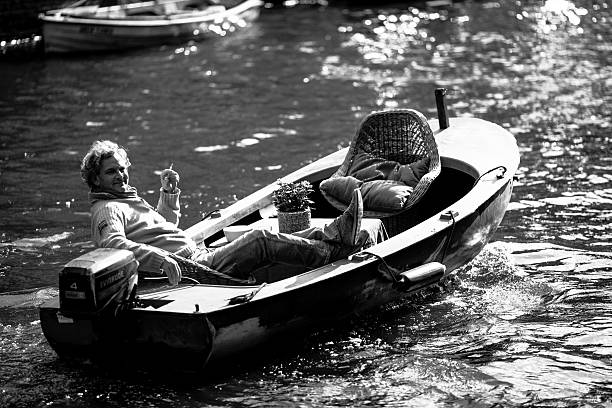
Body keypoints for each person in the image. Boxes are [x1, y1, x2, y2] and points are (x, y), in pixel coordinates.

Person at [81, 140, 365, 286]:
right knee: (260, 238)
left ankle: (334, 232)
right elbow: (113, 245)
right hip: (195, 268)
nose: (120, 175)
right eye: (111, 172)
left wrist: (168, 195)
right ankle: (331, 253)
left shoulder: (124, 199)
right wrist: (161, 260)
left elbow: (163, 228)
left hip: (195, 256)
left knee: (275, 235)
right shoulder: (107, 209)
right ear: (96, 179)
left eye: (122, 168)